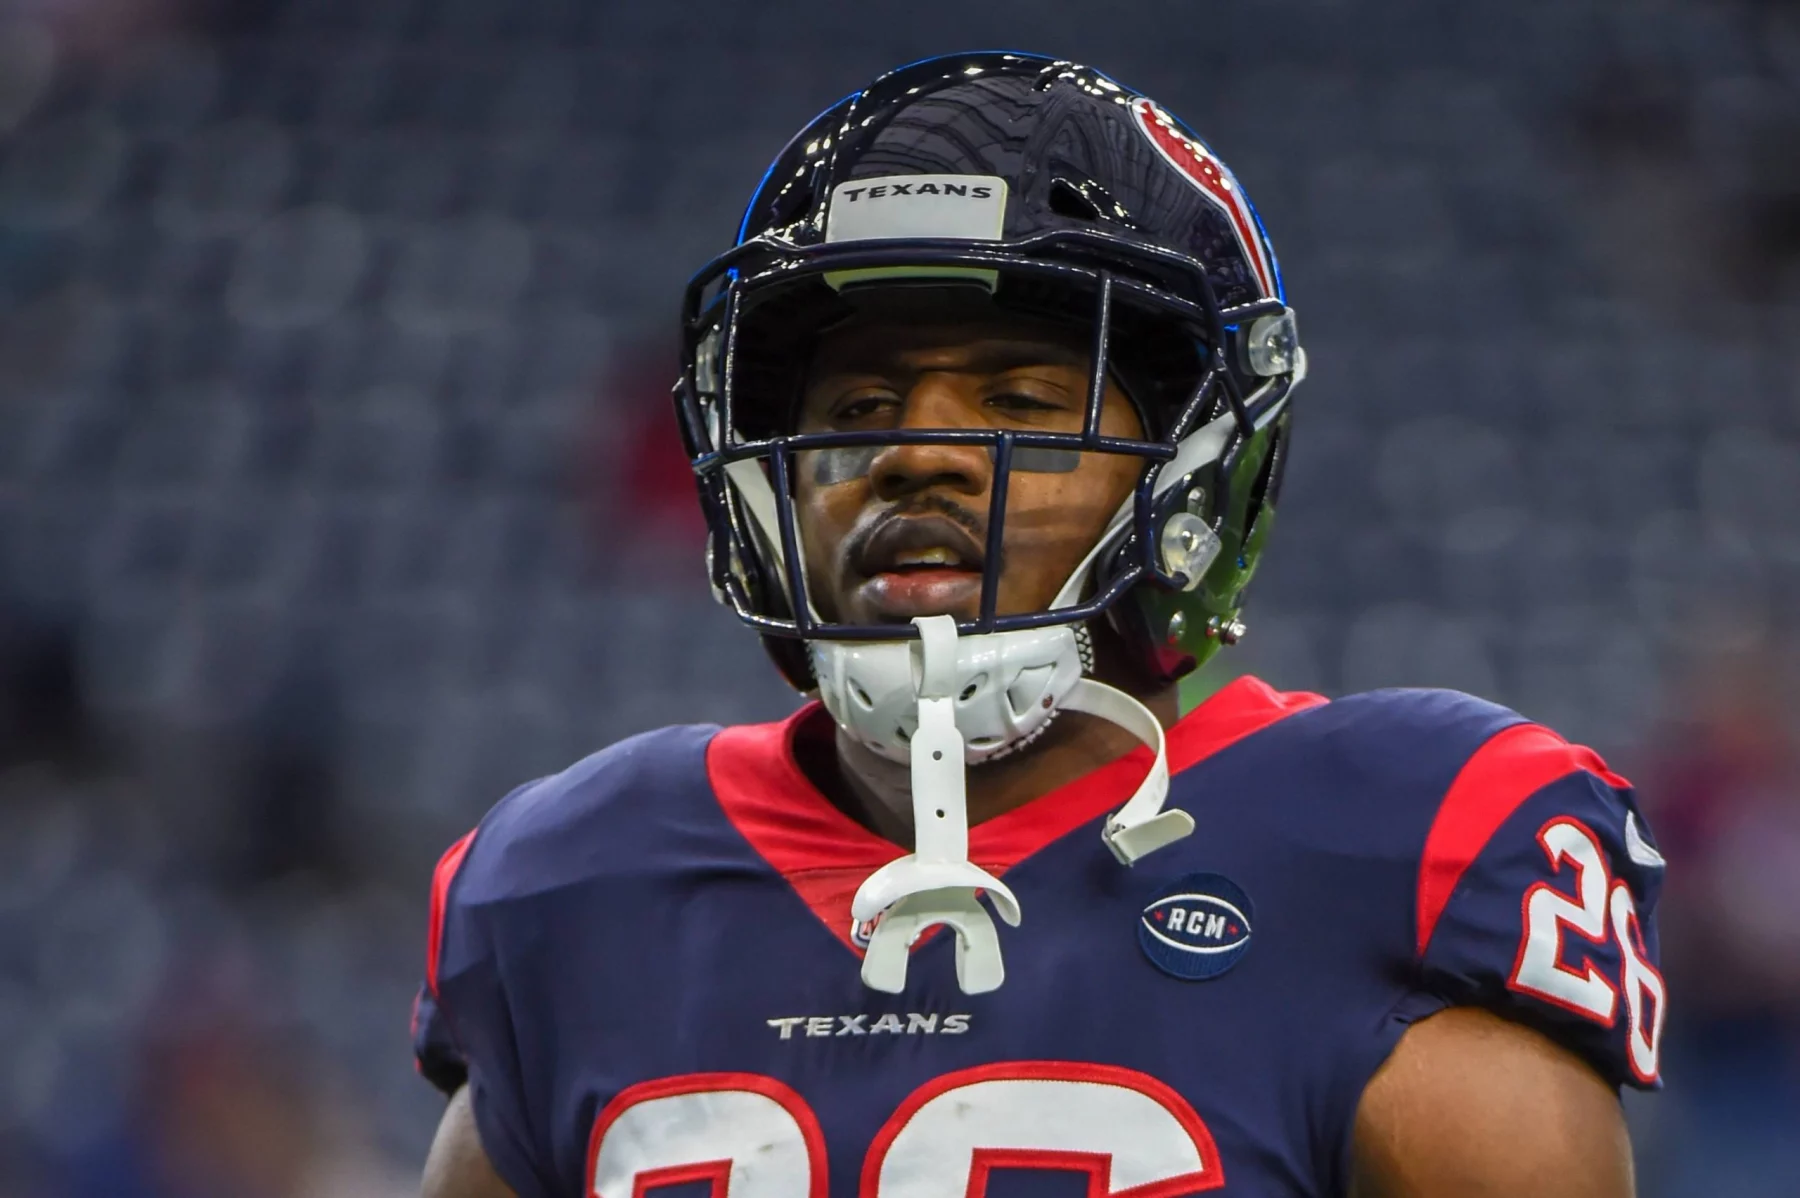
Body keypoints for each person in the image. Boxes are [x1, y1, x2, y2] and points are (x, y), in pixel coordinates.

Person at [415, 52, 1666, 1198]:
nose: (915, 452)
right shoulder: (573, 890)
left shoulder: (1408, 846)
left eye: (1020, 400)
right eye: (856, 406)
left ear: (1194, 474)